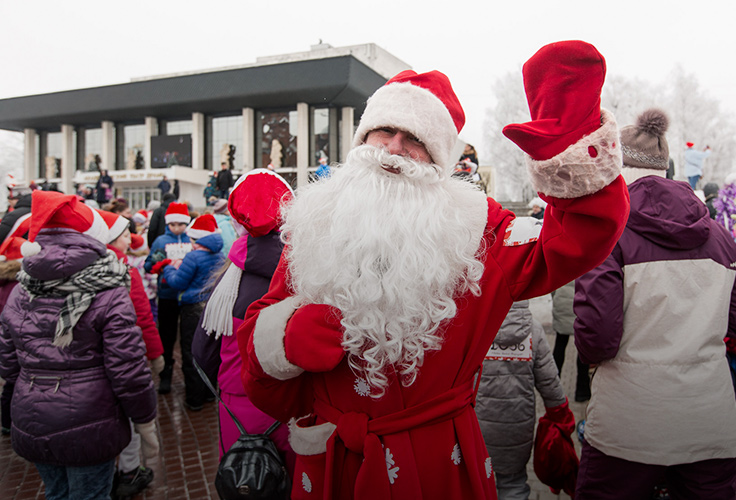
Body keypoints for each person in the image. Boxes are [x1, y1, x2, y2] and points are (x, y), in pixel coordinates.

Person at [238, 42, 629, 500]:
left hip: (435, 467)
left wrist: (568, 136)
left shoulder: (479, 233)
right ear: (362, 139)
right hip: (331, 466)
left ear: (439, 163)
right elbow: (259, 372)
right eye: (384, 131)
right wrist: (282, 338)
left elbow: (575, 239)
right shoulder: (316, 225)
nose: (395, 149)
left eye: (416, 140)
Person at [573, 108, 736, 499]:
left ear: (615, 167)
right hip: (709, 418)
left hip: (629, 424)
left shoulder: (608, 235)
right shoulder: (718, 235)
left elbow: (597, 339)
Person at [0, 191, 159, 500]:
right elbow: (128, 369)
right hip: (92, 421)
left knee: (56, 493)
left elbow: (7, 364)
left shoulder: (23, 288)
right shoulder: (109, 290)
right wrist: (144, 418)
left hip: (33, 416)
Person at [192, 169, 296, 471]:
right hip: (293, 403)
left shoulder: (227, 282)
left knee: (244, 481)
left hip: (237, 400)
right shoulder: (306, 274)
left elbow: (202, 352)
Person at [476, 300, 575, 499]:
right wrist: (562, 415)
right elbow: (549, 383)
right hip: (518, 428)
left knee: (476, 481)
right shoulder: (534, 331)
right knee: (513, 484)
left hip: (477, 427)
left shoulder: (476, 329)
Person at [99, 210, 164, 498]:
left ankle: (108, 470)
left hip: (92, 364)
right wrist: (156, 354)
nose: (131, 239)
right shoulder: (126, 269)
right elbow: (143, 316)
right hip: (126, 355)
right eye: (126, 234)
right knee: (129, 414)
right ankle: (130, 469)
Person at [155, 214, 223, 410]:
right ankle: (210, 393)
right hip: (211, 306)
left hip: (192, 308)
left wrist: (168, 268)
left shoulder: (193, 256)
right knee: (209, 350)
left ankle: (194, 399)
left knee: (191, 352)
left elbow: (178, 282)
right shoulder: (219, 254)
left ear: (197, 238)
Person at [145, 202, 193, 394]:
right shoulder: (160, 241)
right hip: (167, 294)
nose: (176, 228)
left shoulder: (192, 239)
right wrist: (157, 261)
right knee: (167, 336)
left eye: (180, 224)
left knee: (187, 340)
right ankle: (165, 375)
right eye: (172, 224)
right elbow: (148, 265)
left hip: (188, 296)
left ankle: (190, 378)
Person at [551, 280, 591, 402]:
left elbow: (553, 283)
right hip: (582, 304)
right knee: (583, 349)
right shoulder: (588, 260)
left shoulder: (561, 260)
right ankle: (582, 391)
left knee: (560, 344)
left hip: (562, 302)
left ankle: (553, 388)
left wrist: (557, 298)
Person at [0, 236, 24, 435]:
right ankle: (10, 421)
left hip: (6, 337)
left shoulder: (4, 283)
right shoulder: (19, 285)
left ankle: (6, 421)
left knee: (9, 384)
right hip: (18, 338)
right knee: (15, 383)